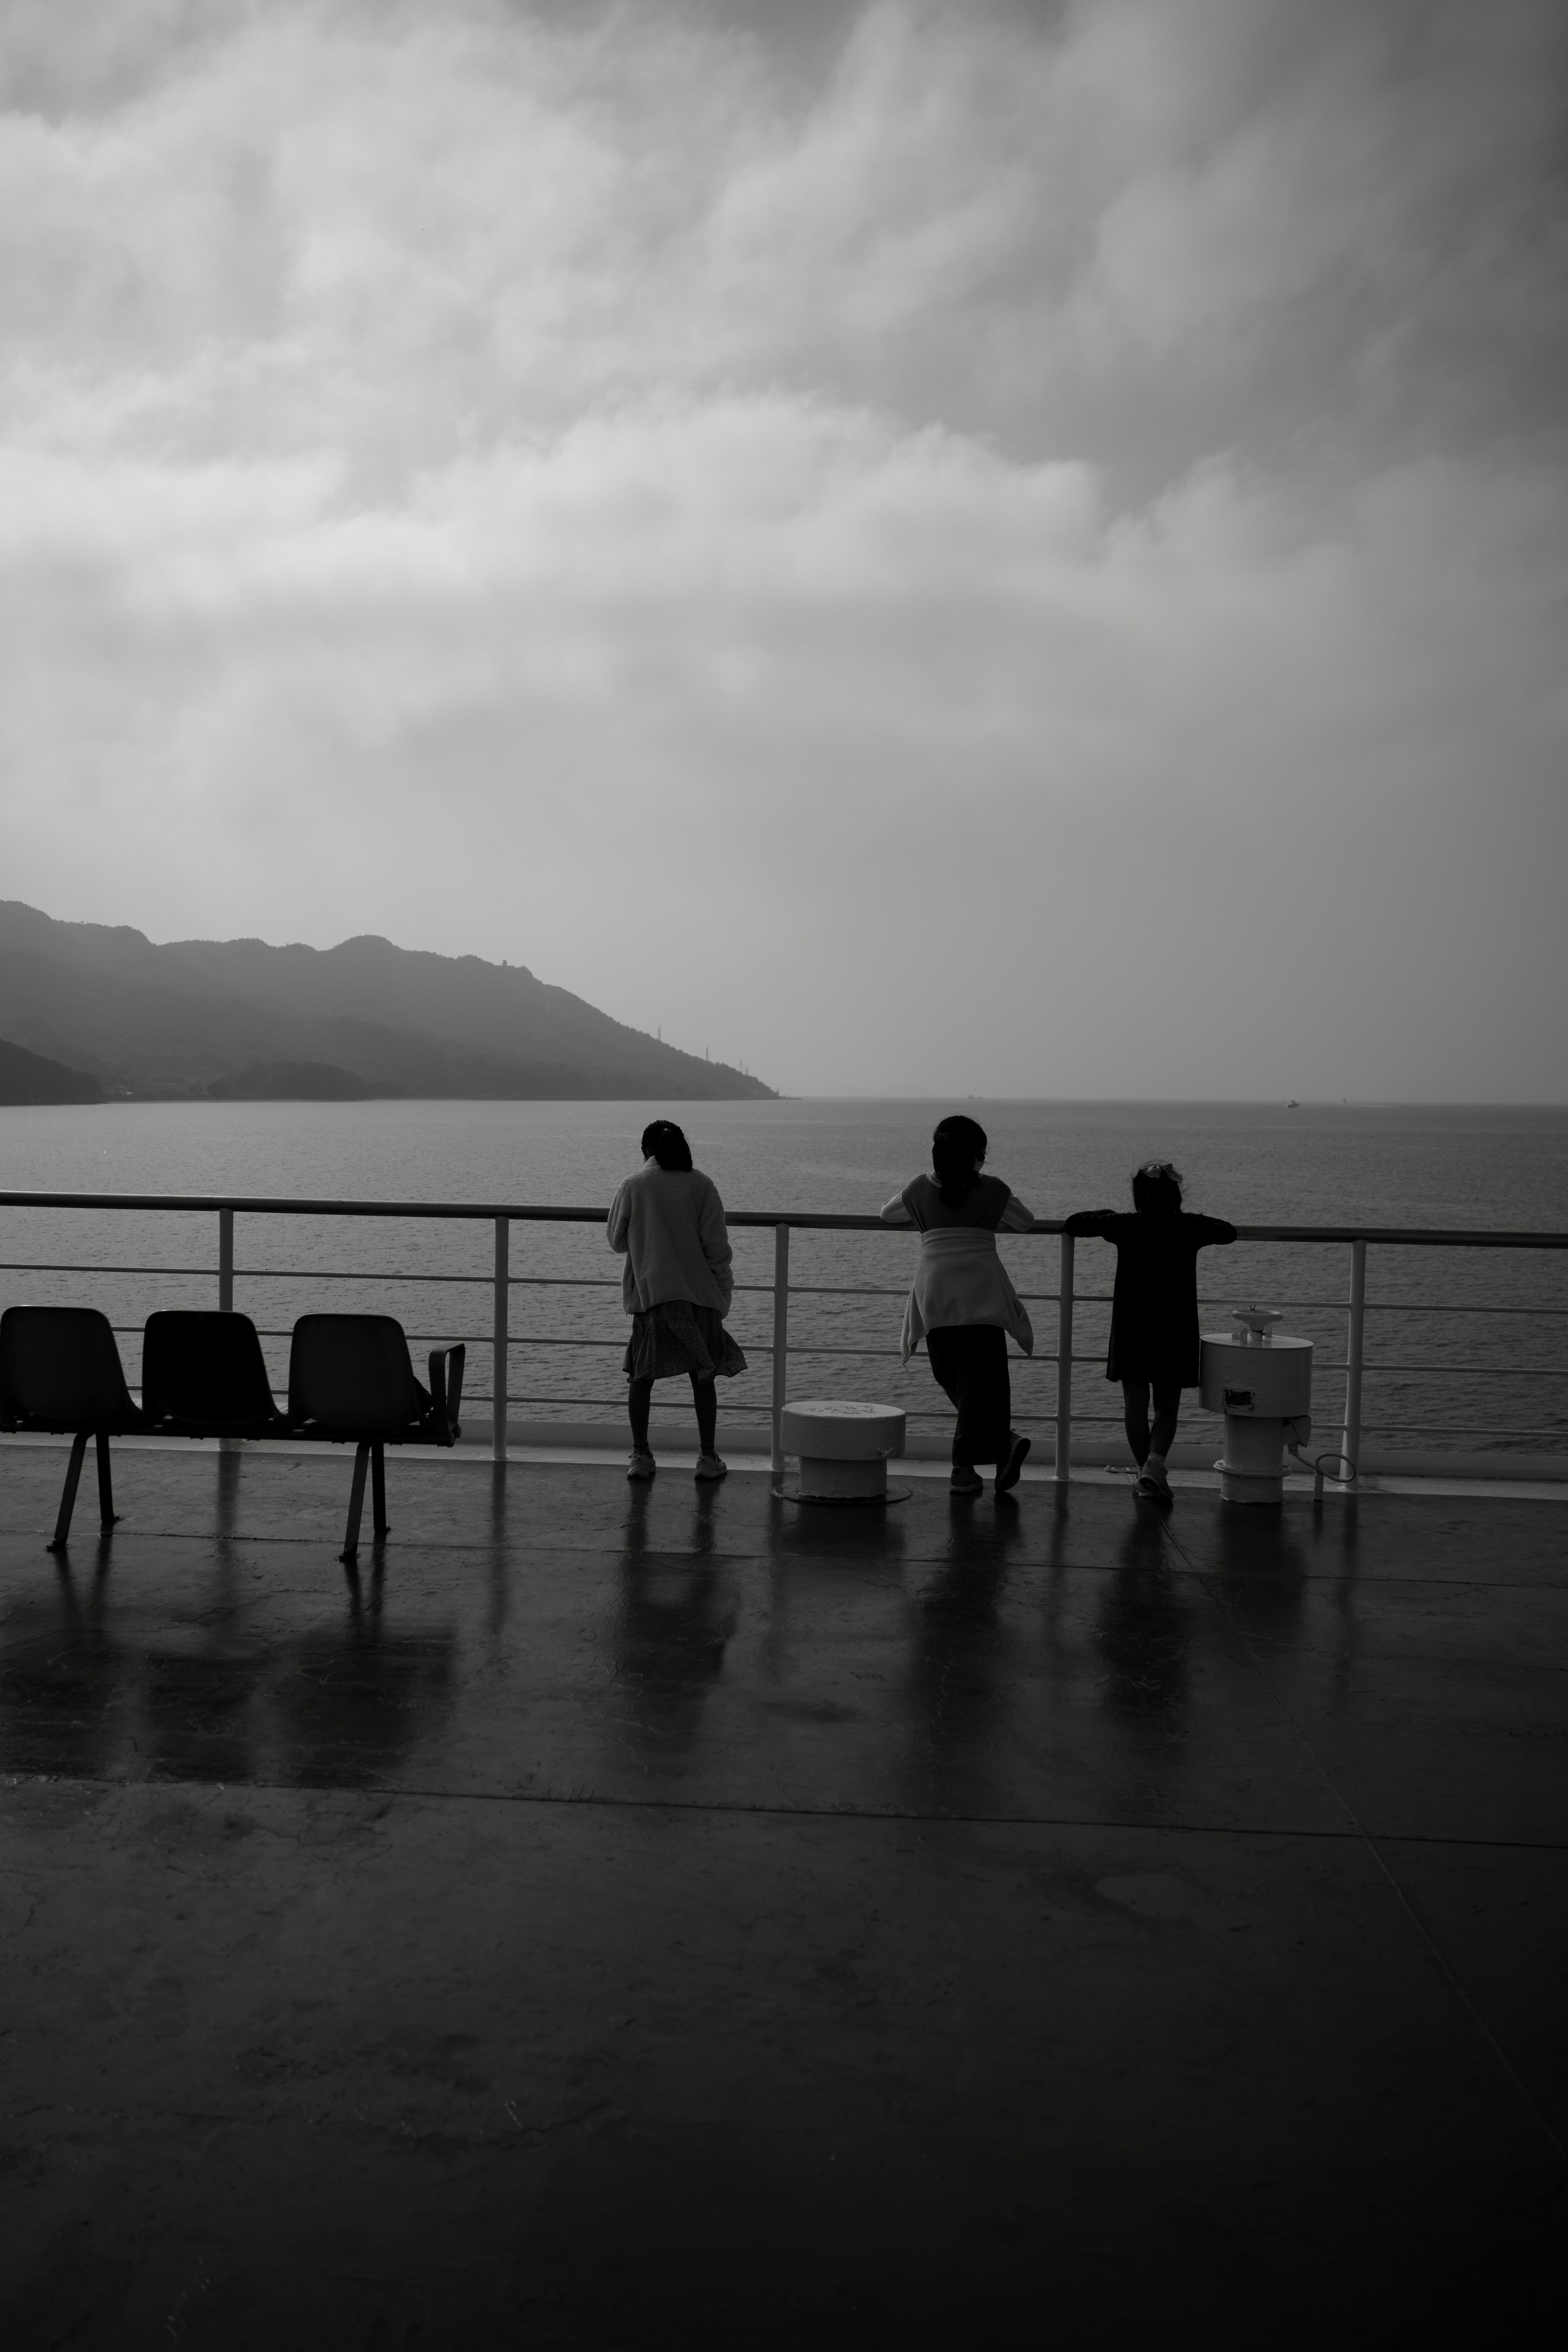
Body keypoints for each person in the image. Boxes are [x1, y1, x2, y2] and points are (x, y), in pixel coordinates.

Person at [881, 1114, 1035, 1497]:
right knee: (986, 1385)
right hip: (981, 1299)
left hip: (935, 1300)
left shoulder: (919, 1190)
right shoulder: (994, 1191)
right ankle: (967, 1467)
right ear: (973, 1155)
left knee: (956, 1380)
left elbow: (887, 1214)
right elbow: (1026, 1223)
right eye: (982, 1153)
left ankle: (997, 1453)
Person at [1065, 1162, 1236, 1505]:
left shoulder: (1125, 1225)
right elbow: (1228, 1231)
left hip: (1133, 1326)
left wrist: (1108, 1213)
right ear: (1175, 1197)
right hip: (1176, 1326)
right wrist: (1188, 1218)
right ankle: (1153, 1468)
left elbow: (1074, 1224)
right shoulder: (1189, 1228)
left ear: (1138, 1197)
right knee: (1167, 1408)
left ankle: (1146, 1474)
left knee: (1135, 1404)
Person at [608, 1120, 746, 1482]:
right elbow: (717, 1248)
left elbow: (617, 1240)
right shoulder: (701, 1185)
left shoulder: (634, 1185)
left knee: (642, 1376)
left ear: (646, 1152)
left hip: (653, 1295)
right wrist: (724, 1294)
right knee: (703, 1376)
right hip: (698, 1295)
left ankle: (640, 1456)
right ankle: (708, 1458)